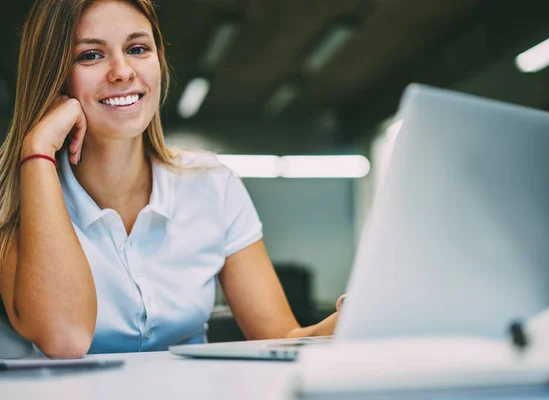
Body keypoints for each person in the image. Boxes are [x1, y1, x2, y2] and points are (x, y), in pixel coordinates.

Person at [0, 0, 343, 358]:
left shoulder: (212, 185)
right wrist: (37, 148)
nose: (122, 72)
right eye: (90, 56)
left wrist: (353, 317)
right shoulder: (13, 200)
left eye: (137, 49)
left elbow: (282, 336)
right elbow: (64, 339)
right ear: (52, 74)